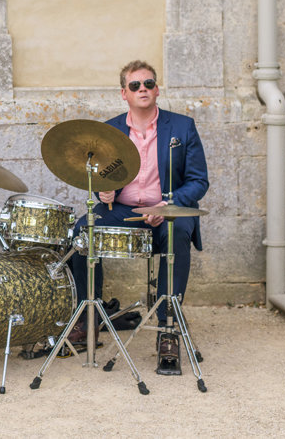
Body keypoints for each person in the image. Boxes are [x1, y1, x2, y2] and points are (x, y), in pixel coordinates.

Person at [67, 60, 208, 358]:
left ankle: (168, 327)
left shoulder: (182, 127)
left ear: (156, 90)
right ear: (124, 93)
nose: (142, 89)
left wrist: (167, 205)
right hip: (124, 212)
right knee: (81, 231)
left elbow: (199, 182)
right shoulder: (110, 131)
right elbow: (97, 176)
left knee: (180, 230)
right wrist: (102, 190)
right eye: (135, 85)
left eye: (148, 84)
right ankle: (88, 317)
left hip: (167, 212)